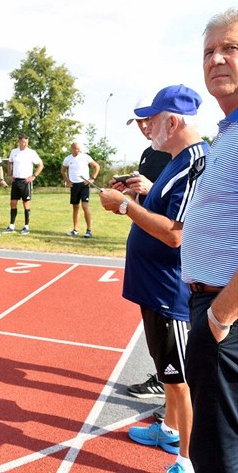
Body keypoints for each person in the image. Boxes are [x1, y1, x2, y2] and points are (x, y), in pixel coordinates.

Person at [99, 84, 209, 473]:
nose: (147, 129)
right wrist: (143, 194)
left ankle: (187, 460)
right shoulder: (178, 159)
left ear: (173, 121)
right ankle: (168, 429)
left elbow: (175, 233)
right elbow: (166, 214)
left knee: (181, 381)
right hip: (155, 286)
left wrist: (126, 205)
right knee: (168, 370)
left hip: (169, 289)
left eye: (153, 121)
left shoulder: (196, 161)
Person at [182, 8, 238, 473]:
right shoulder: (227, 133)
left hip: (226, 313)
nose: (216, 59)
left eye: (230, 48)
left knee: (217, 452)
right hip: (214, 306)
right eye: (208, 52)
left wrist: (221, 316)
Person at [122, 100, 172, 421]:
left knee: (171, 332)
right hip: (146, 255)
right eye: (137, 122)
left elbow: (181, 206)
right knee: (155, 330)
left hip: (168, 260)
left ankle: (176, 410)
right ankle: (164, 379)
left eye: (146, 120)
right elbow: (148, 202)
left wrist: (149, 190)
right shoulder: (148, 153)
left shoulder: (181, 155)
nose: (142, 126)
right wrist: (129, 193)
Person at [3, 134, 43, 235]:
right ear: (19, 142)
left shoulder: (31, 153)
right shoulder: (14, 151)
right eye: (23, 142)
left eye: (26, 142)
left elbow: (40, 165)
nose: (25, 144)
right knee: (13, 203)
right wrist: (9, 174)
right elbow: (10, 162)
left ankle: (26, 227)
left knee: (26, 204)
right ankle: (11, 226)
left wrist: (33, 176)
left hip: (26, 182)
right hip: (16, 181)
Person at [61, 141, 100, 238]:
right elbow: (63, 171)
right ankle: (75, 230)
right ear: (72, 149)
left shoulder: (85, 157)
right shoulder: (68, 159)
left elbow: (96, 166)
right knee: (75, 207)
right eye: (76, 148)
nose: (78, 150)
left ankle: (89, 230)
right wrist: (67, 181)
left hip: (84, 184)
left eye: (79, 148)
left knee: (85, 206)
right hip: (74, 185)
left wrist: (92, 178)